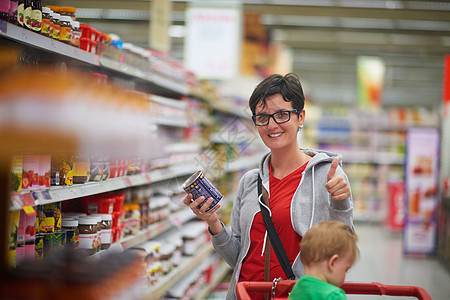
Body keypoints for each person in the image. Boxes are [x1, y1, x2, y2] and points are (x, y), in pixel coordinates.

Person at [183, 73, 354, 300]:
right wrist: (213, 222)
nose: (271, 125)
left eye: (282, 115)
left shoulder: (327, 176)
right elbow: (238, 258)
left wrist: (341, 204)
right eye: (262, 117)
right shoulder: (249, 182)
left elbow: (342, 254)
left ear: (300, 117)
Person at [288, 220, 359, 300]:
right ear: (332, 263)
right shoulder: (334, 295)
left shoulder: (297, 288)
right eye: (346, 269)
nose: (345, 276)